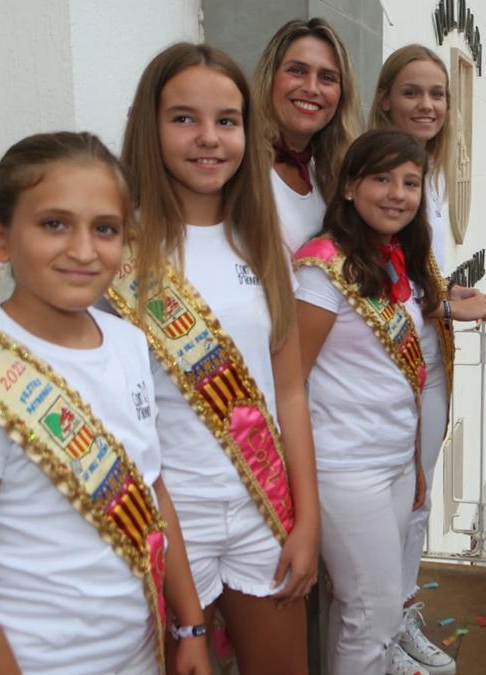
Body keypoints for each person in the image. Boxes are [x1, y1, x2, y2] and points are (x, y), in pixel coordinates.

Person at [0, 132, 209, 674]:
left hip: (141, 657)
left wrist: (189, 624)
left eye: (105, 229)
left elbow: (150, 487)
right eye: (54, 224)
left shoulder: (129, 343)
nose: (83, 250)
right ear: (0, 240)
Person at [117, 43, 318, 673]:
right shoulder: (116, 255)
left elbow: (290, 391)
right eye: (184, 118)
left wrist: (308, 519)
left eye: (226, 121)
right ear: (149, 128)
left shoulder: (263, 245)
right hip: (168, 521)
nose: (208, 138)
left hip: (264, 510)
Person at [293, 129, 486, 675]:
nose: (398, 194)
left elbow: (400, 369)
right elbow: (291, 379)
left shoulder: (396, 258)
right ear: (351, 186)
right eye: (382, 178)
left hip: (394, 462)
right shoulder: (321, 267)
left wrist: (412, 463)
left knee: (359, 613)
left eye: (410, 182)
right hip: (342, 467)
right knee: (374, 613)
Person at [367, 44, 486, 675]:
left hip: (428, 366)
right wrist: (442, 311)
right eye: (412, 91)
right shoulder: (368, 173)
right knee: (382, 509)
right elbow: (367, 285)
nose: (427, 104)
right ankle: (377, 637)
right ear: (386, 97)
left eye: (438, 94)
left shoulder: (431, 178)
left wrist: (445, 298)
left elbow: (416, 279)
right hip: (381, 371)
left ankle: (401, 617)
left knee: (417, 502)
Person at [253, 18, 363, 254]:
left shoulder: (335, 175)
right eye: (297, 71)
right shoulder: (240, 166)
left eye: (327, 77)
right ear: (270, 77)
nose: (312, 88)